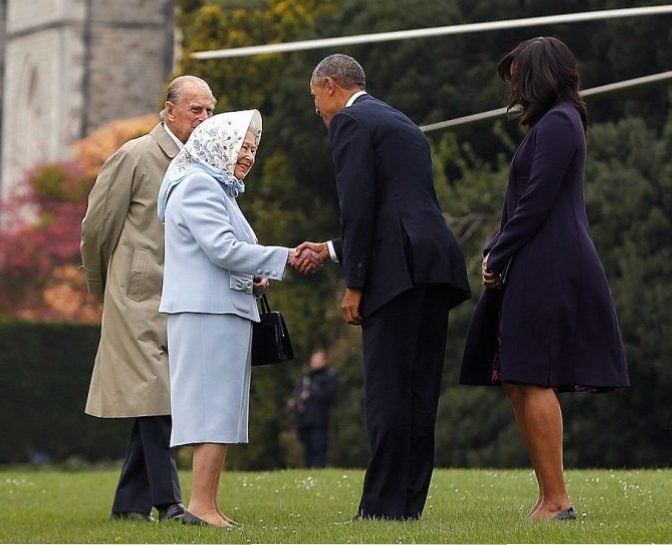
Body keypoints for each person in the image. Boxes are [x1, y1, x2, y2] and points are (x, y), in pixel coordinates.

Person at [460, 37, 630, 520]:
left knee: (532, 375)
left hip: (551, 264)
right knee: (518, 376)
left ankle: (557, 500)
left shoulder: (559, 124)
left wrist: (497, 250)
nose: (512, 85)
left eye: (516, 75)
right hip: (536, 261)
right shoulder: (552, 125)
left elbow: (537, 201)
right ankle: (547, 497)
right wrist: (504, 249)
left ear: (538, 75)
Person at [299, 53, 471, 521]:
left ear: (331, 85)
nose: (318, 110)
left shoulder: (351, 123)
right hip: (434, 266)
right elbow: (398, 210)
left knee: (387, 393)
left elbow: (360, 209)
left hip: (395, 276)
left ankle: (379, 509)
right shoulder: (401, 122)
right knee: (419, 392)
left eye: (316, 99)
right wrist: (334, 250)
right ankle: (408, 504)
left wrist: (354, 283)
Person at [158, 109, 312, 528]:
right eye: (241, 146)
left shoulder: (217, 189)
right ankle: (200, 507)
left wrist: (254, 276)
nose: (247, 156)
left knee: (221, 409)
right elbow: (222, 249)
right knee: (210, 409)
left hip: (220, 309)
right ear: (217, 144)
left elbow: (221, 256)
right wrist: (282, 257)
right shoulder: (198, 187)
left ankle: (206, 504)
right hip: (206, 313)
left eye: (252, 149)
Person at [80, 75, 216, 522]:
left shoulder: (204, 164)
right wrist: (105, 288)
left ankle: (128, 506)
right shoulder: (135, 155)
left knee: (158, 399)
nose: (204, 118)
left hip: (184, 297)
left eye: (210, 110)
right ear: (169, 110)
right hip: (137, 299)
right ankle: (169, 502)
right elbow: (97, 229)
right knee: (159, 401)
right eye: (196, 109)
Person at [287, 349, 338, 468]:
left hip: (319, 419)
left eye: (317, 360)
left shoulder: (329, 376)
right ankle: (309, 469)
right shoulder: (307, 377)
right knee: (307, 448)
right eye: (313, 360)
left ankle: (319, 468)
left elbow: (329, 394)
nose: (314, 363)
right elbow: (298, 391)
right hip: (304, 419)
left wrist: (311, 394)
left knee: (318, 447)